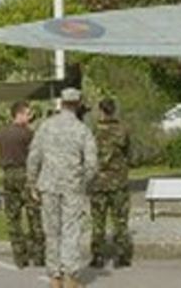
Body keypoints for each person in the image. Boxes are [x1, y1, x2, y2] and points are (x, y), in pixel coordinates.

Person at [28, 88, 98, 288]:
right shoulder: (82, 130)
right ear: (78, 104)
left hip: (48, 185)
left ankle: (54, 277)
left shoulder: (45, 126)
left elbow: (34, 157)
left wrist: (32, 182)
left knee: (51, 231)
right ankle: (70, 277)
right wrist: (83, 182)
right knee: (71, 230)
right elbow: (92, 164)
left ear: (62, 103)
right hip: (72, 187)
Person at [0, 100, 44, 268]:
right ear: (20, 114)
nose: (30, 117)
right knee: (34, 214)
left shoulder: (1, 134)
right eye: (28, 114)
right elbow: (36, 156)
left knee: (13, 217)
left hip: (8, 175)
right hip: (25, 174)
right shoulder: (28, 134)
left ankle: (19, 256)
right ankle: (38, 255)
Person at [90, 98, 133, 268]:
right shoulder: (123, 130)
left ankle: (97, 256)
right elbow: (129, 154)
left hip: (98, 182)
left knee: (98, 221)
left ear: (101, 110)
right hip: (118, 181)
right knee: (120, 220)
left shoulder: (93, 131)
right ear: (114, 110)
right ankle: (121, 256)